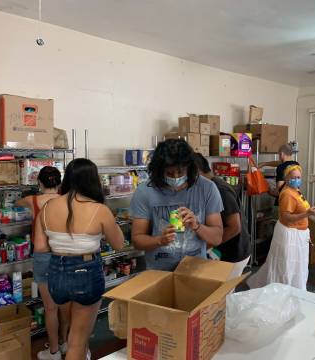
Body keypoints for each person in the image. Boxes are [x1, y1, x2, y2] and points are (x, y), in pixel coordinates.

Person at [34, 159, 124, 360]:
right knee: (77, 339)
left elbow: (40, 247)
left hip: (56, 272)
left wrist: (63, 244)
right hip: (86, 272)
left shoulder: (47, 207)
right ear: (93, 180)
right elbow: (119, 244)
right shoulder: (99, 209)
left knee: (73, 328)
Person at [130, 139, 223, 271]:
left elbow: (217, 237)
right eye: (169, 173)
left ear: (189, 168)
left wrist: (197, 226)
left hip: (196, 269)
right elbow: (137, 240)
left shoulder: (207, 188)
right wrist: (159, 240)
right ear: (158, 170)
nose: (175, 177)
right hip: (159, 270)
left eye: (181, 172)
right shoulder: (145, 192)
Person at [16, 166, 70, 360]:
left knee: (50, 308)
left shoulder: (33, 201)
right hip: (65, 256)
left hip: (43, 257)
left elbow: (17, 201)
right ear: (59, 183)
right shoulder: (67, 200)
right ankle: (65, 344)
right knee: (64, 305)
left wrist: (30, 193)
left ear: (39, 182)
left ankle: (53, 351)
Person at [248, 165, 315, 290]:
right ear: (287, 178)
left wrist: (310, 210)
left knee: (297, 266)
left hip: (299, 234)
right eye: (294, 177)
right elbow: (286, 217)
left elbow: (299, 208)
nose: (297, 179)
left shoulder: (296, 190)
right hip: (290, 234)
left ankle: (295, 289)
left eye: (299, 177)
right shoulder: (287, 194)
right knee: (287, 266)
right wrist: (307, 214)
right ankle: (284, 290)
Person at [194, 153, 251, 268]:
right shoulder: (206, 188)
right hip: (221, 251)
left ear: (197, 172)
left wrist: (208, 245)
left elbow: (235, 227)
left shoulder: (220, 189)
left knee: (224, 286)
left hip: (234, 252)